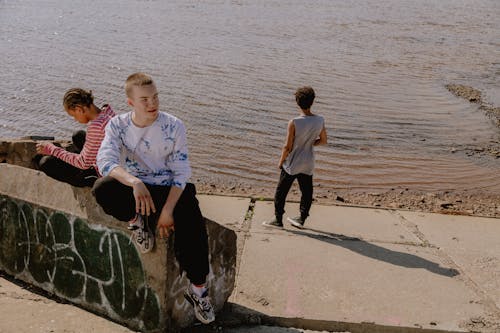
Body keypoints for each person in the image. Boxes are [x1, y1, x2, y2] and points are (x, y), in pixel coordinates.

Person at [92, 72, 215, 324]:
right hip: (138, 188)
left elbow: (182, 172)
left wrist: (168, 211)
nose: (153, 104)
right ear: (131, 103)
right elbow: (105, 161)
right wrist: (134, 182)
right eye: (145, 99)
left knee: (192, 225)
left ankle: (199, 291)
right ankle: (137, 221)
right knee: (102, 188)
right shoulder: (118, 126)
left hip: (169, 189)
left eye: (155, 97)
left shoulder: (173, 125)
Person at [263, 86, 327, 229]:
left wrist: (280, 162)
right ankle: (301, 219)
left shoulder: (294, 122)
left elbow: (287, 146)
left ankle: (277, 219)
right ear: (313, 101)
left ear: (297, 102)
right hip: (308, 162)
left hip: (292, 163)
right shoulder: (320, 120)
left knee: (281, 191)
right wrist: (310, 143)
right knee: (307, 191)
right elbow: (323, 140)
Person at [35, 88, 116, 187]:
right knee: (78, 135)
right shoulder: (107, 111)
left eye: (74, 115)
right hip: (109, 158)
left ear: (79, 109)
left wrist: (52, 149)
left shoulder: (96, 126)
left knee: (46, 163)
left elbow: (83, 163)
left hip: (103, 172)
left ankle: (90, 180)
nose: (75, 120)